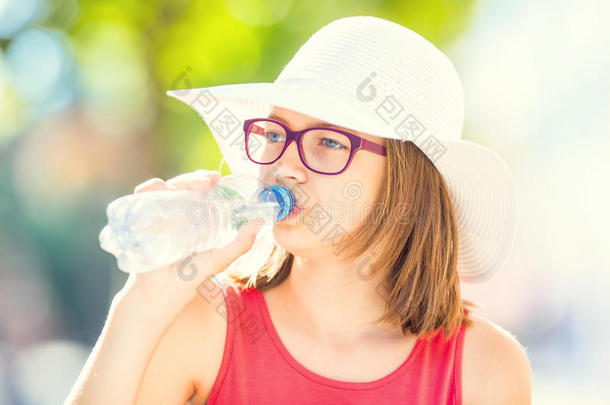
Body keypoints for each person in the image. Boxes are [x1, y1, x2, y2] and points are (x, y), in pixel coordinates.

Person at [65, 16, 531, 404]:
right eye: (274, 133)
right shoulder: (203, 327)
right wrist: (144, 301)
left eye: (329, 141)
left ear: (409, 181)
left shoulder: (484, 367)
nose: (284, 164)